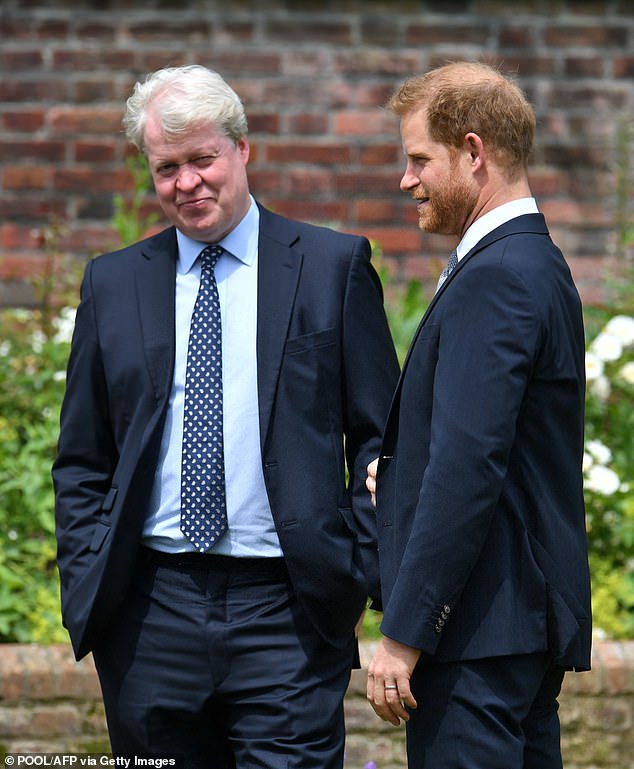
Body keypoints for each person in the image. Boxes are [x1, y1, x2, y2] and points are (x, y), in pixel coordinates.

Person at [52, 64, 399, 769]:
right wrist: (89, 578)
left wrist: (356, 567)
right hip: (151, 612)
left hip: (289, 609)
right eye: (167, 168)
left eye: (202, 159)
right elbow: (83, 455)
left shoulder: (331, 267)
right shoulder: (113, 283)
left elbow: (381, 436)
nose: (187, 184)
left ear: (242, 149)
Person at [365, 61, 592, 768]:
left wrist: (404, 633)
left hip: (476, 640)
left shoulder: (497, 276)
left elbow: (469, 467)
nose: (407, 180)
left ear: (472, 151)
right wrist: (397, 477)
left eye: (419, 159)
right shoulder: (535, 263)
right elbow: (507, 445)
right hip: (509, 632)